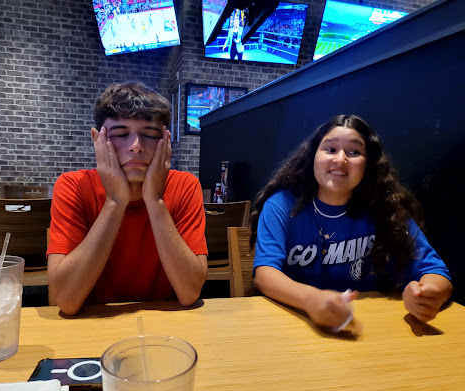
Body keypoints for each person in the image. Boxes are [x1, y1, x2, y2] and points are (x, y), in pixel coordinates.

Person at [250, 114, 452, 330]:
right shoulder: (281, 205)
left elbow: (437, 273)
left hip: (374, 327)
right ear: (313, 156)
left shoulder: (387, 208)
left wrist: (425, 294)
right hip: (294, 324)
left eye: (354, 152)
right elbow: (265, 273)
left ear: (369, 163)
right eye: (330, 149)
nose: (340, 159)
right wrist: (311, 300)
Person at [47, 82, 208, 315]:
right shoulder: (74, 185)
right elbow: (66, 300)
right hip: (92, 323)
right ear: (97, 139)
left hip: (166, 326)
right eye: (120, 134)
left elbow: (189, 293)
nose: (136, 147)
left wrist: (155, 200)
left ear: (166, 140)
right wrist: (115, 201)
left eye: (150, 135)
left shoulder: (185, 185)